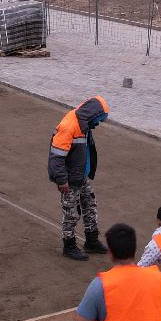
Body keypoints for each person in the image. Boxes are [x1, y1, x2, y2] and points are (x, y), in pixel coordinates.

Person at [49, 95, 110, 260]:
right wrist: (62, 181)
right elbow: (56, 158)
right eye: (98, 120)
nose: (98, 124)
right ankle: (69, 245)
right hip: (69, 180)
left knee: (90, 205)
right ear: (92, 115)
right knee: (71, 213)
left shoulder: (84, 125)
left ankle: (91, 241)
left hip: (81, 176)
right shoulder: (69, 127)